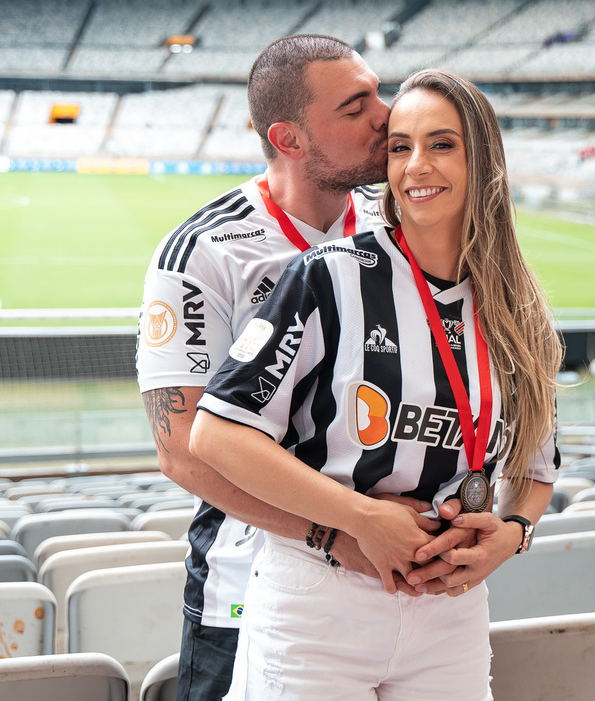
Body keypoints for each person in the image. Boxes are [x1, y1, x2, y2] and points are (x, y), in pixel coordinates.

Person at [189, 69, 563, 699]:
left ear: (484, 160)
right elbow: (215, 434)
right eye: (400, 146)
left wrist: (511, 534)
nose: (417, 165)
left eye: (442, 144)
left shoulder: (517, 307)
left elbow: (537, 468)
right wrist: (359, 518)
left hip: (452, 611)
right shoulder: (327, 277)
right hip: (321, 599)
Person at [137, 35, 463, 701]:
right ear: (288, 138)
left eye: (378, 91)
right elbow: (183, 454)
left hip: (402, 592)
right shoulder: (203, 253)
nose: (387, 114)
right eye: (356, 106)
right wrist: (335, 532)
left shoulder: (401, 223)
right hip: (247, 595)